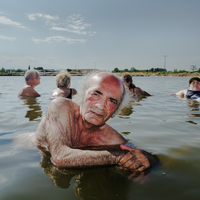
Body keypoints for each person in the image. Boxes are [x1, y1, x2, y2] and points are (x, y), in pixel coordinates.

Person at [33, 71, 157, 172]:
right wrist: (117, 156)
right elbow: (60, 157)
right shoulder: (60, 106)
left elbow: (138, 155)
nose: (101, 106)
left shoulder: (112, 138)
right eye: (96, 94)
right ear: (83, 93)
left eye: (112, 101)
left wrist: (149, 160)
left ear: (115, 110)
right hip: (26, 149)